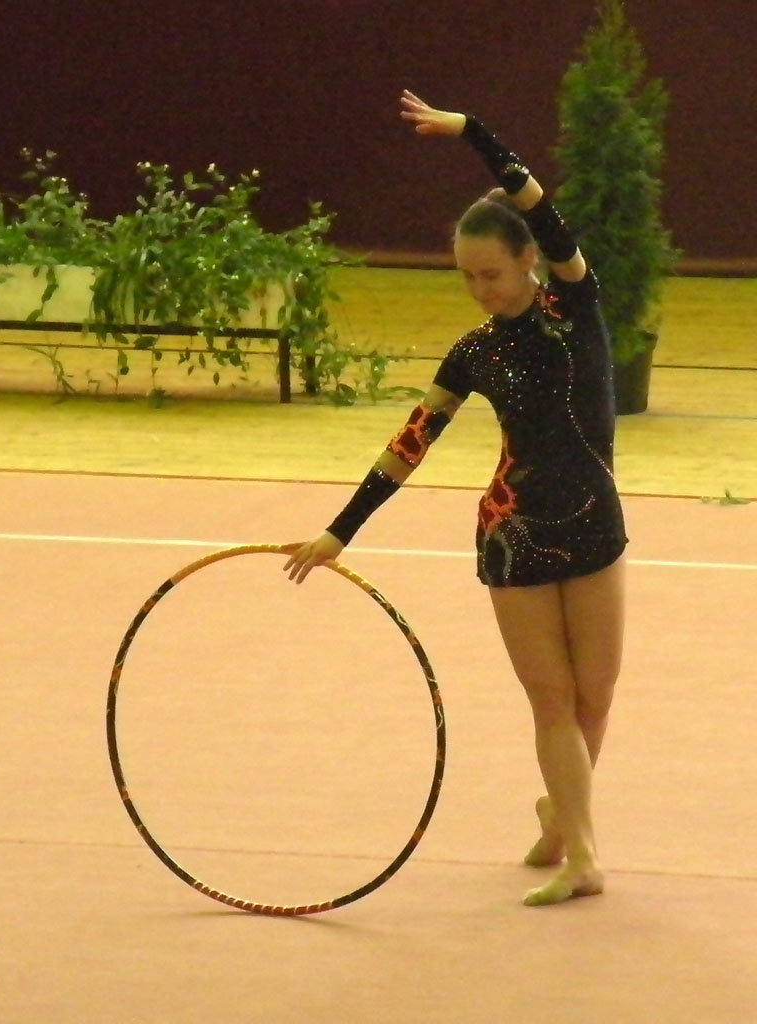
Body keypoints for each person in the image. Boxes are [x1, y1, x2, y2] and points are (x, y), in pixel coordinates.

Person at [284, 90, 627, 907]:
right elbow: (410, 442)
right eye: (467, 277)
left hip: (595, 521)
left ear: (530, 260)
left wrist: (473, 132)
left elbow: (536, 200)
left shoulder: (575, 300)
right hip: (515, 535)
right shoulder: (473, 352)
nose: (480, 290)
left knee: (595, 697)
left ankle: (559, 819)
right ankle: (583, 856)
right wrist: (340, 532)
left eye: (492, 274)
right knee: (553, 701)